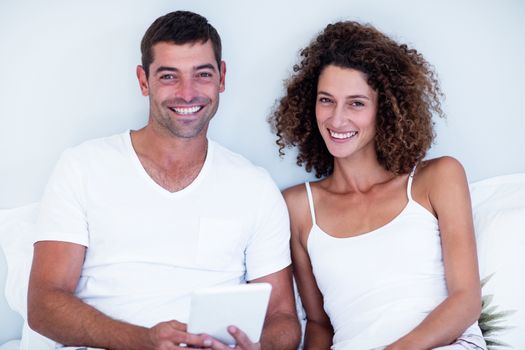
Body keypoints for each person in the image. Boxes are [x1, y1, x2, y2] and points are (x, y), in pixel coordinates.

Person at [28, 10, 300, 350]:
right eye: (169, 77)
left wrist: (257, 347)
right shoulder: (82, 167)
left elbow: (284, 320)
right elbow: (43, 304)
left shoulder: (254, 187)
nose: (187, 93)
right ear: (144, 82)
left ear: (222, 77)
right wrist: (142, 340)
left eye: (202, 74)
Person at [269, 21, 487, 350]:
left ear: (384, 109)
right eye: (326, 100)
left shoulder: (438, 178)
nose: (337, 119)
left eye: (356, 103)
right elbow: (319, 324)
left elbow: (466, 300)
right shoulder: (299, 207)